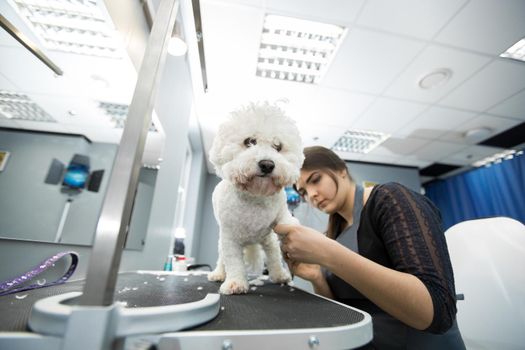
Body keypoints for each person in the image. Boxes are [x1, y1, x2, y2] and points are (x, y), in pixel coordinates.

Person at [274, 146, 465, 350]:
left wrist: (328, 254)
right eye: (303, 192)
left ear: (341, 169)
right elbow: (347, 312)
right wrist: (318, 278)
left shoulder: (390, 199)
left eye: (315, 179)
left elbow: (436, 311)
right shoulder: (334, 232)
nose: (311, 195)